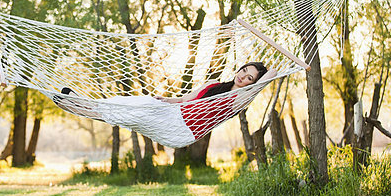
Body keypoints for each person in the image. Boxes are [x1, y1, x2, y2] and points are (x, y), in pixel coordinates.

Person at [54, 62, 277, 148]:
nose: (243, 77)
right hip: (173, 112)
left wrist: (278, 66)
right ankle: (81, 102)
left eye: (250, 78)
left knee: (133, 113)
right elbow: (185, 99)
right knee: (134, 103)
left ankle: (76, 107)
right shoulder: (215, 84)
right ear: (239, 69)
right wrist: (166, 100)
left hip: (181, 130)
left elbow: (271, 75)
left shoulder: (240, 100)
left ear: (253, 84)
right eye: (244, 71)